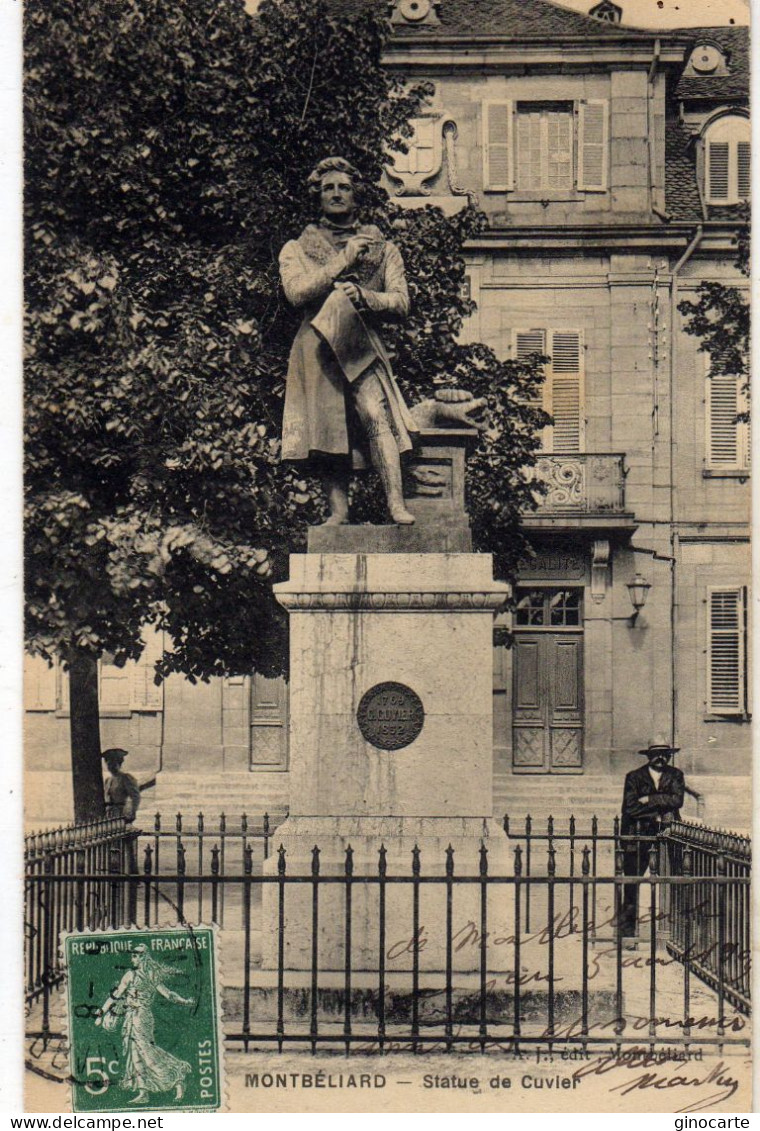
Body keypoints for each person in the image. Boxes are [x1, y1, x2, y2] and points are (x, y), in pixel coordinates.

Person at [279, 156, 418, 525]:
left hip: (359, 343)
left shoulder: (383, 248)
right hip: (316, 345)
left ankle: (395, 504)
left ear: (357, 196)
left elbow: (401, 302)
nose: (336, 194)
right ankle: (338, 512)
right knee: (327, 427)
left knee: (375, 414)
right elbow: (296, 293)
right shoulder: (296, 248)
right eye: (328, 188)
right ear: (318, 196)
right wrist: (341, 262)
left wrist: (367, 297)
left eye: (344, 187)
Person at [95, 944, 193, 1104]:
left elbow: (117, 995)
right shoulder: (143, 975)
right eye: (132, 956)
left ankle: (177, 1075)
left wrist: (102, 1011)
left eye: (135, 956)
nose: (132, 959)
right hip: (135, 1017)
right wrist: (101, 1011)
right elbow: (168, 995)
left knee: (146, 1052)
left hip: (140, 1018)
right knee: (137, 1053)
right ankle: (144, 1092)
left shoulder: (136, 975)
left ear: (143, 957)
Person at [620, 735, 684, 940]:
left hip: (667, 835)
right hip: (638, 835)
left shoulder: (676, 775)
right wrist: (659, 810)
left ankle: (674, 934)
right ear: (649, 756)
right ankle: (628, 934)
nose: (660, 758)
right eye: (656, 754)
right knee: (632, 883)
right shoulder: (634, 777)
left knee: (674, 882)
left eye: (664, 754)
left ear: (669, 756)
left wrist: (649, 799)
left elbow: (677, 800)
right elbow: (630, 808)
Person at [102, 748, 141, 823]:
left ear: (119, 764)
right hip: (109, 814)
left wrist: (131, 813)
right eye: (109, 764)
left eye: (114, 764)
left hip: (121, 813)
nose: (111, 767)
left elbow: (135, 797)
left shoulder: (126, 778)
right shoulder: (108, 780)